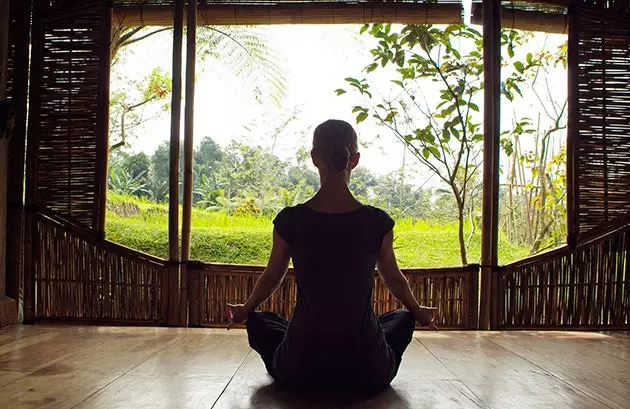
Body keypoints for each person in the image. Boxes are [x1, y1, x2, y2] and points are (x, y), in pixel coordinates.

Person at [227, 119, 437, 393]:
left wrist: (245, 310)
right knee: (402, 317)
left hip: (299, 369)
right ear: (355, 160)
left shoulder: (291, 221)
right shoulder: (377, 223)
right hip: (368, 371)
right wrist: (418, 312)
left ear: (315, 158)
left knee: (260, 320)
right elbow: (394, 279)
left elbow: (272, 278)